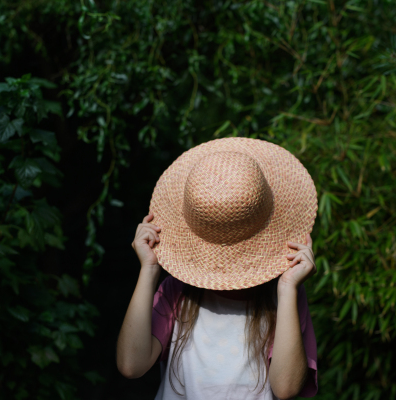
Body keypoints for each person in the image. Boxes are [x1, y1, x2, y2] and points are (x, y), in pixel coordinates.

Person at [117, 138, 319, 399]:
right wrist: (149, 270)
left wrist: (289, 289)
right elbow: (131, 365)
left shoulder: (282, 297)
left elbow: (286, 388)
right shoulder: (177, 292)